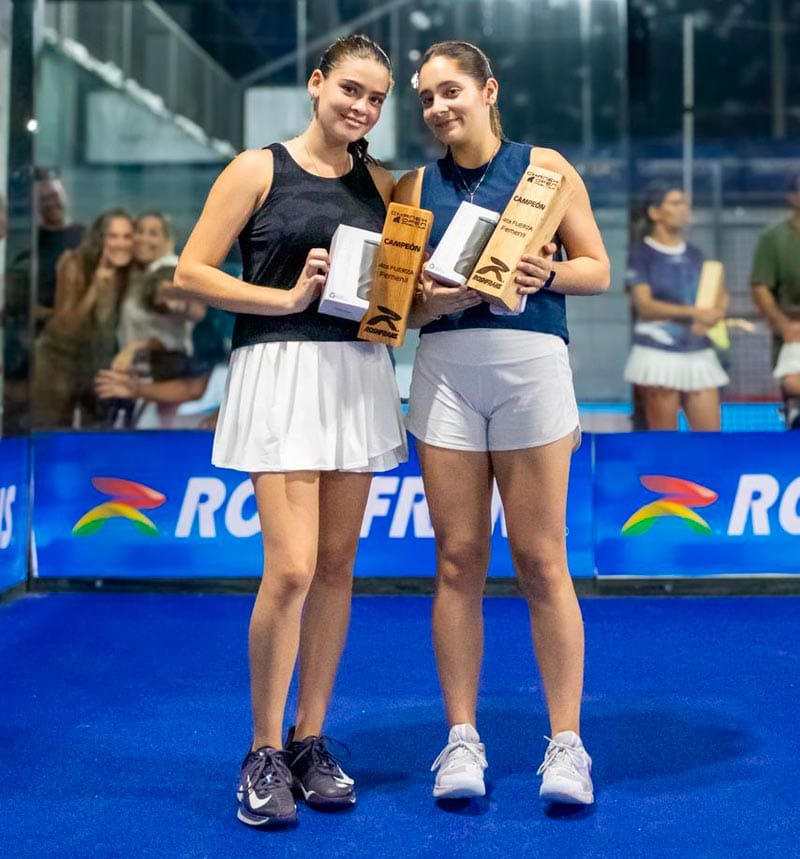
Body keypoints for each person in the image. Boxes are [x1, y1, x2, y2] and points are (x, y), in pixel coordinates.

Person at [172, 35, 406, 827]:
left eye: (375, 98)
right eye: (350, 89)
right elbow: (192, 271)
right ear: (316, 83)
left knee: (337, 566)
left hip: (357, 373)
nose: (361, 107)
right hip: (277, 370)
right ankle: (263, 750)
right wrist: (285, 298)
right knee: (292, 569)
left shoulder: (383, 183)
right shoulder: (255, 168)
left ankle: (309, 740)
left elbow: (397, 290)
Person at [394, 41, 610, 806]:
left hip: (531, 365)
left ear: (489, 90)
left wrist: (547, 272)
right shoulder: (413, 187)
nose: (437, 107)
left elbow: (596, 268)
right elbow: (398, 308)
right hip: (445, 369)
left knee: (541, 559)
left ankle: (567, 743)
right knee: (457, 559)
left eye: (450, 90)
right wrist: (436, 299)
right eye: (426, 97)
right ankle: (461, 737)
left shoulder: (545, 169)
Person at [623, 184, 729, 430]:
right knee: (665, 440)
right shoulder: (640, 254)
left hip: (698, 351)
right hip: (657, 352)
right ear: (655, 212)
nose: (684, 209)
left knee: (711, 439)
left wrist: (716, 313)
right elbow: (645, 306)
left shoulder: (696, 254)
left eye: (685, 203)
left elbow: (719, 293)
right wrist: (694, 313)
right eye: (675, 203)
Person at [32, 208, 134, 428]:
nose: (121, 244)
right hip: (58, 359)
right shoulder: (74, 263)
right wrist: (95, 287)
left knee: (98, 432)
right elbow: (66, 325)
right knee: (53, 430)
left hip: (96, 362)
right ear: (99, 239)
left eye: (127, 237)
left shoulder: (129, 271)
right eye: (113, 236)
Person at [750, 175, 800, 428]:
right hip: (793, 332)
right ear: (793, 197)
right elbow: (760, 287)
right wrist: (784, 326)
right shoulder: (774, 238)